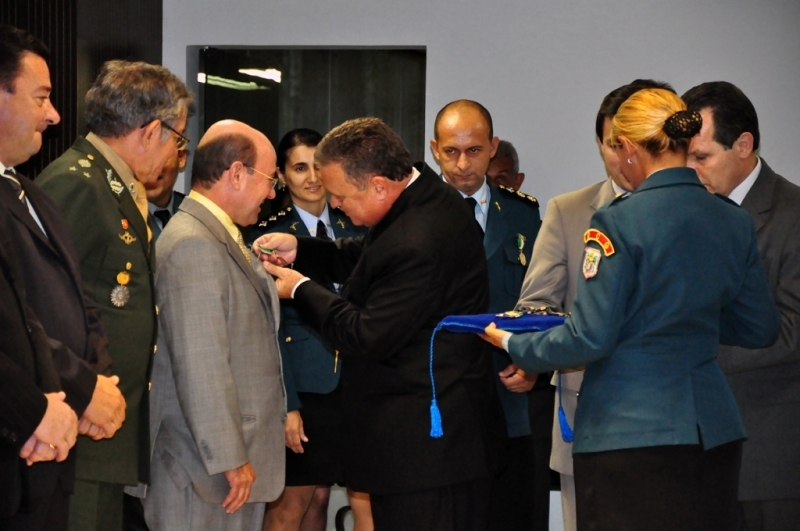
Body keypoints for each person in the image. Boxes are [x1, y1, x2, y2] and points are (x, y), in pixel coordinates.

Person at [482, 88, 781, 531]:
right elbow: (759, 327)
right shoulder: (731, 218)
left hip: (628, 434)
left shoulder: (617, 220)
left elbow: (589, 337)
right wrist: (684, 317)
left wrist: (514, 343)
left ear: (627, 148)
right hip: (712, 432)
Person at [255, 117, 504, 531]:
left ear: (378, 185)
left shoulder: (419, 236)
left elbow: (365, 334)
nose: (335, 205)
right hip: (425, 443)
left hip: (428, 453)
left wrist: (299, 290)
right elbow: (368, 256)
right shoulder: (418, 197)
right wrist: (301, 249)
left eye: (340, 195)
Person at [36, 60, 193, 531]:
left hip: (105, 431)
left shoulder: (112, 185)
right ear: (152, 131)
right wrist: (83, 392)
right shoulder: (76, 183)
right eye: (178, 138)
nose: (174, 154)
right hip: (79, 429)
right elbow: (42, 308)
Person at [515, 79, 673, 531]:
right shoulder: (569, 211)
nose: (622, 156)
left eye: (630, 143)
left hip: (671, 420)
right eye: (610, 144)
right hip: (585, 415)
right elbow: (535, 307)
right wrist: (577, 333)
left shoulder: (695, 210)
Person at [0, 24, 124, 530]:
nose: (53, 115)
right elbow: (21, 323)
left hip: (53, 438)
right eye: (41, 97)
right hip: (22, 433)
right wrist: (80, 387)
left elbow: (81, 301)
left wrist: (98, 381)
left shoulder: (34, 194)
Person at [142, 120, 286, 531]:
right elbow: (201, 363)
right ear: (237, 173)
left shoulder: (215, 235)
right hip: (205, 473)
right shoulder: (194, 243)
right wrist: (229, 457)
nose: (272, 193)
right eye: (270, 180)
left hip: (223, 471)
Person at [683, 81, 800, 531]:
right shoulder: (688, 214)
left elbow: (791, 332)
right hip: (693, 457)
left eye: (701, 157)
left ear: (744, 145)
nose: (690, 170)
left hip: (767, 458)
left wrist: (688, 347)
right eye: (684, 156)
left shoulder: (792, 215)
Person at [430, 100, 544, 531]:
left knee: (509, 515)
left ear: (493, 147)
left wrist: (533, 361)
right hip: (440, 398)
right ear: (435, 149)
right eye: (451, 151)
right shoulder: (411, 213)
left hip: (507, 395)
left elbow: (540, 300)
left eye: (474, 151)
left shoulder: (522, 214)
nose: (462, 164)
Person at [255, 129, 371, 531]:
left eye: (316, 167)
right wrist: (287, 403)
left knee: (341, 497)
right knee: (296, 501)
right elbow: (267, 329)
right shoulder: (268, 234)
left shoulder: (356, 222)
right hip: (305, 386)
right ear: (281, 175)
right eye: (299, 168)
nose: (311, 178)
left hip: (358, 381)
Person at [146, 147, 187, 238]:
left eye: (160, 156)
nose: (151, 167)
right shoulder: (121, 214)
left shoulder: (192, 211)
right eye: (143, 158)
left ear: (181, 157)